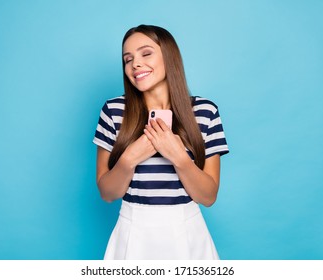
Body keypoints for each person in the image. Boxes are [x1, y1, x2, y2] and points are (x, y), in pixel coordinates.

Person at [93, 24, 229, 260]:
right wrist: (130, 158)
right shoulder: (114, 111)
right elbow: (107, 193)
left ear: (169, 56)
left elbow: (208, 197)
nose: (135, 64)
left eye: (146, 53)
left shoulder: (205, 112)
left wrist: (179, 157)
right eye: (128, 59)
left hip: (187, 235)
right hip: (132, 233)